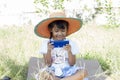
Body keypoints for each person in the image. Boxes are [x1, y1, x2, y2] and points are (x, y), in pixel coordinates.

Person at [34, 11, 88, 80]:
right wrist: (49, 50)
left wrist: (69, 51)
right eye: (56, 31)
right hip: (52, 71)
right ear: (51, 30)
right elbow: (48, 64)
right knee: (44, 75)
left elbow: (72, 64)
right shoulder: (46, 44)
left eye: (63, 31)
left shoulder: (71, 43)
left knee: (83, 72)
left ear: (67, 30)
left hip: (68, 71)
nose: (60, 34)